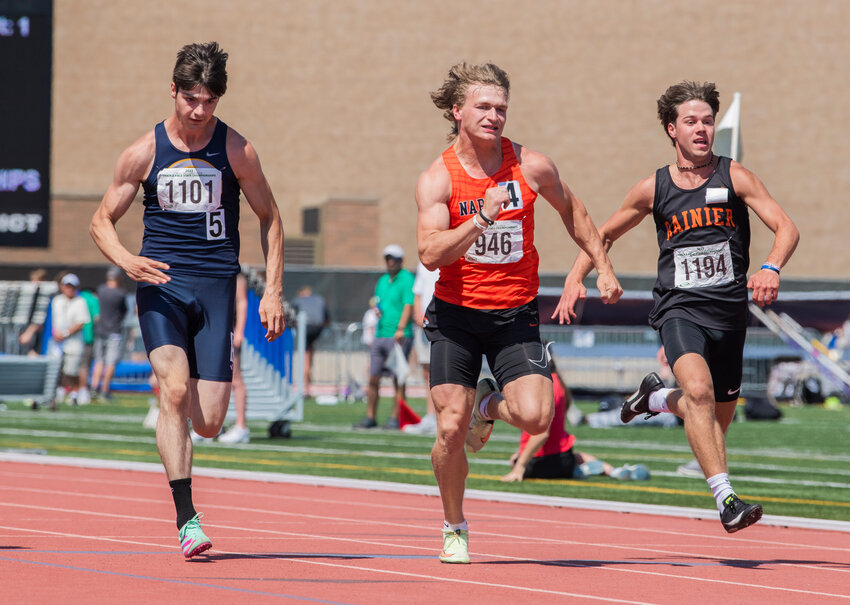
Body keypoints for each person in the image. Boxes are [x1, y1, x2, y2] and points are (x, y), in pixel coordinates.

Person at [555, 81, 799, 534]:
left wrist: (771, 266)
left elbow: (786, 226)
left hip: (729, 314)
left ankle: (653, 398)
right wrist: (576, 277)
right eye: (691, 121)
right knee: (700, 394)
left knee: (711, 418)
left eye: (708, 121)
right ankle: (727, 500)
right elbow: (601, 235)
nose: (702, 129)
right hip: (679, 309)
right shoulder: (655, 187)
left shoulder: (734, 176)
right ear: (673, 129)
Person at [415, 62, 621, 563]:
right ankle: (454, 525)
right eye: (484, 107)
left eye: (501, 108)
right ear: (456, 110)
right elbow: (430, 253)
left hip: (514, 313)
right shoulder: (438, 178)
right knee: (448, 428)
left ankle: (488, 407)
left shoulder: (531, 166)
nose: (494, 116)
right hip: (457, 315)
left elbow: (575, 213)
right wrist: (482, 216)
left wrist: (602, 266)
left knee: (534, 416)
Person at [89, 41, 285, 558]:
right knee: (173, 391)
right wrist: (128, 261)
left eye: (210, 101)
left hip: (217, 286)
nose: (199, 112)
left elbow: (271, 218)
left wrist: (273, 291)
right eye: (191, 99)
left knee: (211, 422)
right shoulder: (144, 152)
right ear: (173, 91)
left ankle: (189, 454)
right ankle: (187, 519)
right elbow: (100, 221)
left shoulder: (237, 150)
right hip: (162, 287)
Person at [501, 356, 649, 483]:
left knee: (515, 459)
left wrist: (520, 465)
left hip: (540, 463)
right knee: (578, 457)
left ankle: (578, 471)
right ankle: (610, 470)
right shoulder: (558, 382)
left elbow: (542, 434)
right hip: (563, 456)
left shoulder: (542, 385)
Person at [352, 244, 415, 430]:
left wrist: (401, 328)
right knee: (373, 378)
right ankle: (370, 417)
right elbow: (377, 302)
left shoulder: (407, 279)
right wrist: (376, 310)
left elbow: (408, 305)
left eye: (393, 258)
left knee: (398, 379)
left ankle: (396, 418)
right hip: (380, 334)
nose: (390, 261)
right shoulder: (382, 281)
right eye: (387, 258)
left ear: (401, 260)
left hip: (398, 336)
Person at [403, 262, 440, 435]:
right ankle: (431, 417)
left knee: (445, 372)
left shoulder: (451, 259)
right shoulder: (423, 265)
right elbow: (417, 294)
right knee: (428, 372)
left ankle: (445, 417)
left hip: (446, 323)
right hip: (425, 326)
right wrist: (418, 316)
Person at [48, 273, 92, 405]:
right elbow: (54, 320)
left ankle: (75, 392)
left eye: (72, 286)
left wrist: (65, 333)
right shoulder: (57, 300)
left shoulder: (80, 301)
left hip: (73, 342)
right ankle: (59, 391)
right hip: (57, 341)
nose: (69, 289)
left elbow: (81, 322)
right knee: (55, 369)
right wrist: (56, 333)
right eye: (67, 286)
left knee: (71, 370)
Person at [218, 273, 250, 443]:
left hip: (229, 331)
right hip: (212, 330)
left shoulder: (237, 274)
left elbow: (242, 302)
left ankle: (241, 426)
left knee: (235, 379)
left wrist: (239, 331)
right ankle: (212, 426)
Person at [90, 266, 129, 402]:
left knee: (99, 361)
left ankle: (94, 388)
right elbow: (124, 312)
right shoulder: (120, 293)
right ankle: (105, 390)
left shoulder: (100, 290)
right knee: (110, 363)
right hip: (114, 331)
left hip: (100, 330)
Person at [290, 284, 330, 396]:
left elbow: (291, 315)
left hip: (306, 327)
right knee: (310, 352)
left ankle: (306, 388)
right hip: (318, 328)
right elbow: (327, 319)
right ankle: (308, 380)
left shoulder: (298, 300)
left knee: (306, 358)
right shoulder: (319, 299)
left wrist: (296, 324)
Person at [77, 286, 99, 405]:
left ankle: (68, 390)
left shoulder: (78, 297)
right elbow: (97, 318)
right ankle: (83, 390)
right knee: (84, 365)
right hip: (88, 336)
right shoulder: (93, 300)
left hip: (71, 335)